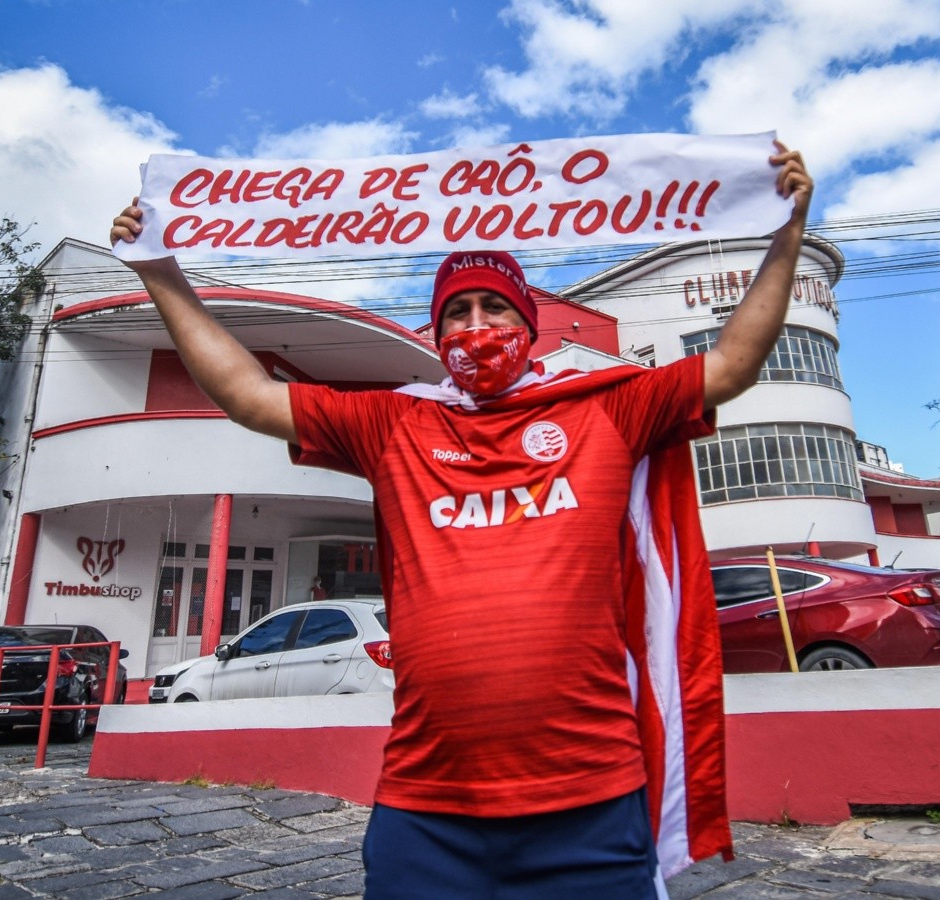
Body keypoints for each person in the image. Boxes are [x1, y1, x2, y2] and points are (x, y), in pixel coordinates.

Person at [111, 141, 812, 899]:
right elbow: (250, 395)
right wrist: (159, 270)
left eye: (494, 306)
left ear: (530, 321)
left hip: (593, 804)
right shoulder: (395, 424)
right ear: (436, 337)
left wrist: (787, 236)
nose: (476, 325)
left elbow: (734, 364)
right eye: (457, 312)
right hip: (427, 812)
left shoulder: (609, 408)